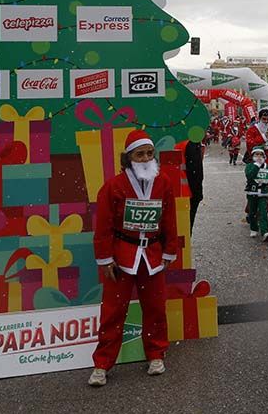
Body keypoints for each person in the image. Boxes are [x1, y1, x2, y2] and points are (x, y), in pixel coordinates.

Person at [89, 130, 179, 387]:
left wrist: (169, 251)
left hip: (152, 255)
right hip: (122, 256)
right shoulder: (113, 186)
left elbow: (169, 221)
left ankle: (155, 354)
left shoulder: (163, 183)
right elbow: (103, 226)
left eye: (149, 153)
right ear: (128, 158)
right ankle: (102, 363)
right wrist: (105, 259)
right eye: (140, 154)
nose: (145, 158)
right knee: (113, 311)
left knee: (155, 308)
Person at [178, 139, 204, 230]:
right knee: (185, 228)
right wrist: (198, 195)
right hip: (186, 192)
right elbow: (195, 171)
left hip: (169, 191)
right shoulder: (190, 142)